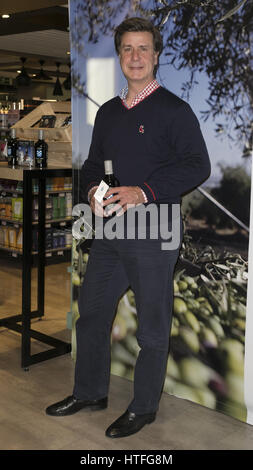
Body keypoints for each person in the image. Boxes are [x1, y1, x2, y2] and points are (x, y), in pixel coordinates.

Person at [46, 17, 211, 439]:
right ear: (120, 55)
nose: (135, 57)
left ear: (156, 56)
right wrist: (92, 197)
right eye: (127, 49)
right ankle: (89, 393)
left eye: (143, 49)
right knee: (92, 316)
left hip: (155, 234)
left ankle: (143, 409)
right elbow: (90, 167)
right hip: (111, 233)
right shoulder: (108, 113)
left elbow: (198, 165)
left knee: (153, 330)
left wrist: (145, 191)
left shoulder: (175, 110)